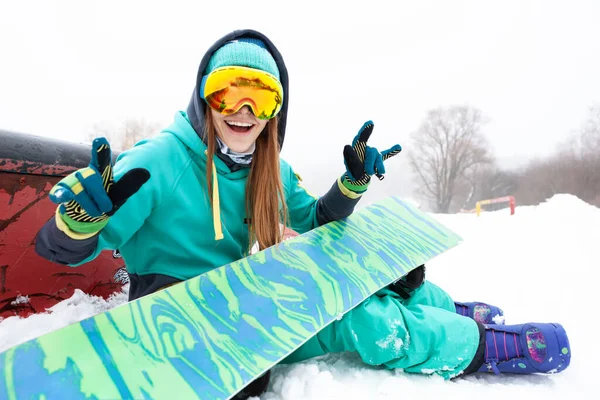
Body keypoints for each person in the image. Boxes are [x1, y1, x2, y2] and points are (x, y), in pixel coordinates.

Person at [35, 29, 571, 398]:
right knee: (353, 319)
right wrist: (79, 221)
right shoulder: (158, 162)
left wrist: (352, 183)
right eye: (228, 95)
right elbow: (63, 247)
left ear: (276, 110)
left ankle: (448, 309)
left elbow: (317, 223)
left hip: (239, 294)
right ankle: (478, 348)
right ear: (205, 99)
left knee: (361, 284)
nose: (242, 113)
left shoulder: (268, 167)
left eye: (260, 99)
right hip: (181, 315)